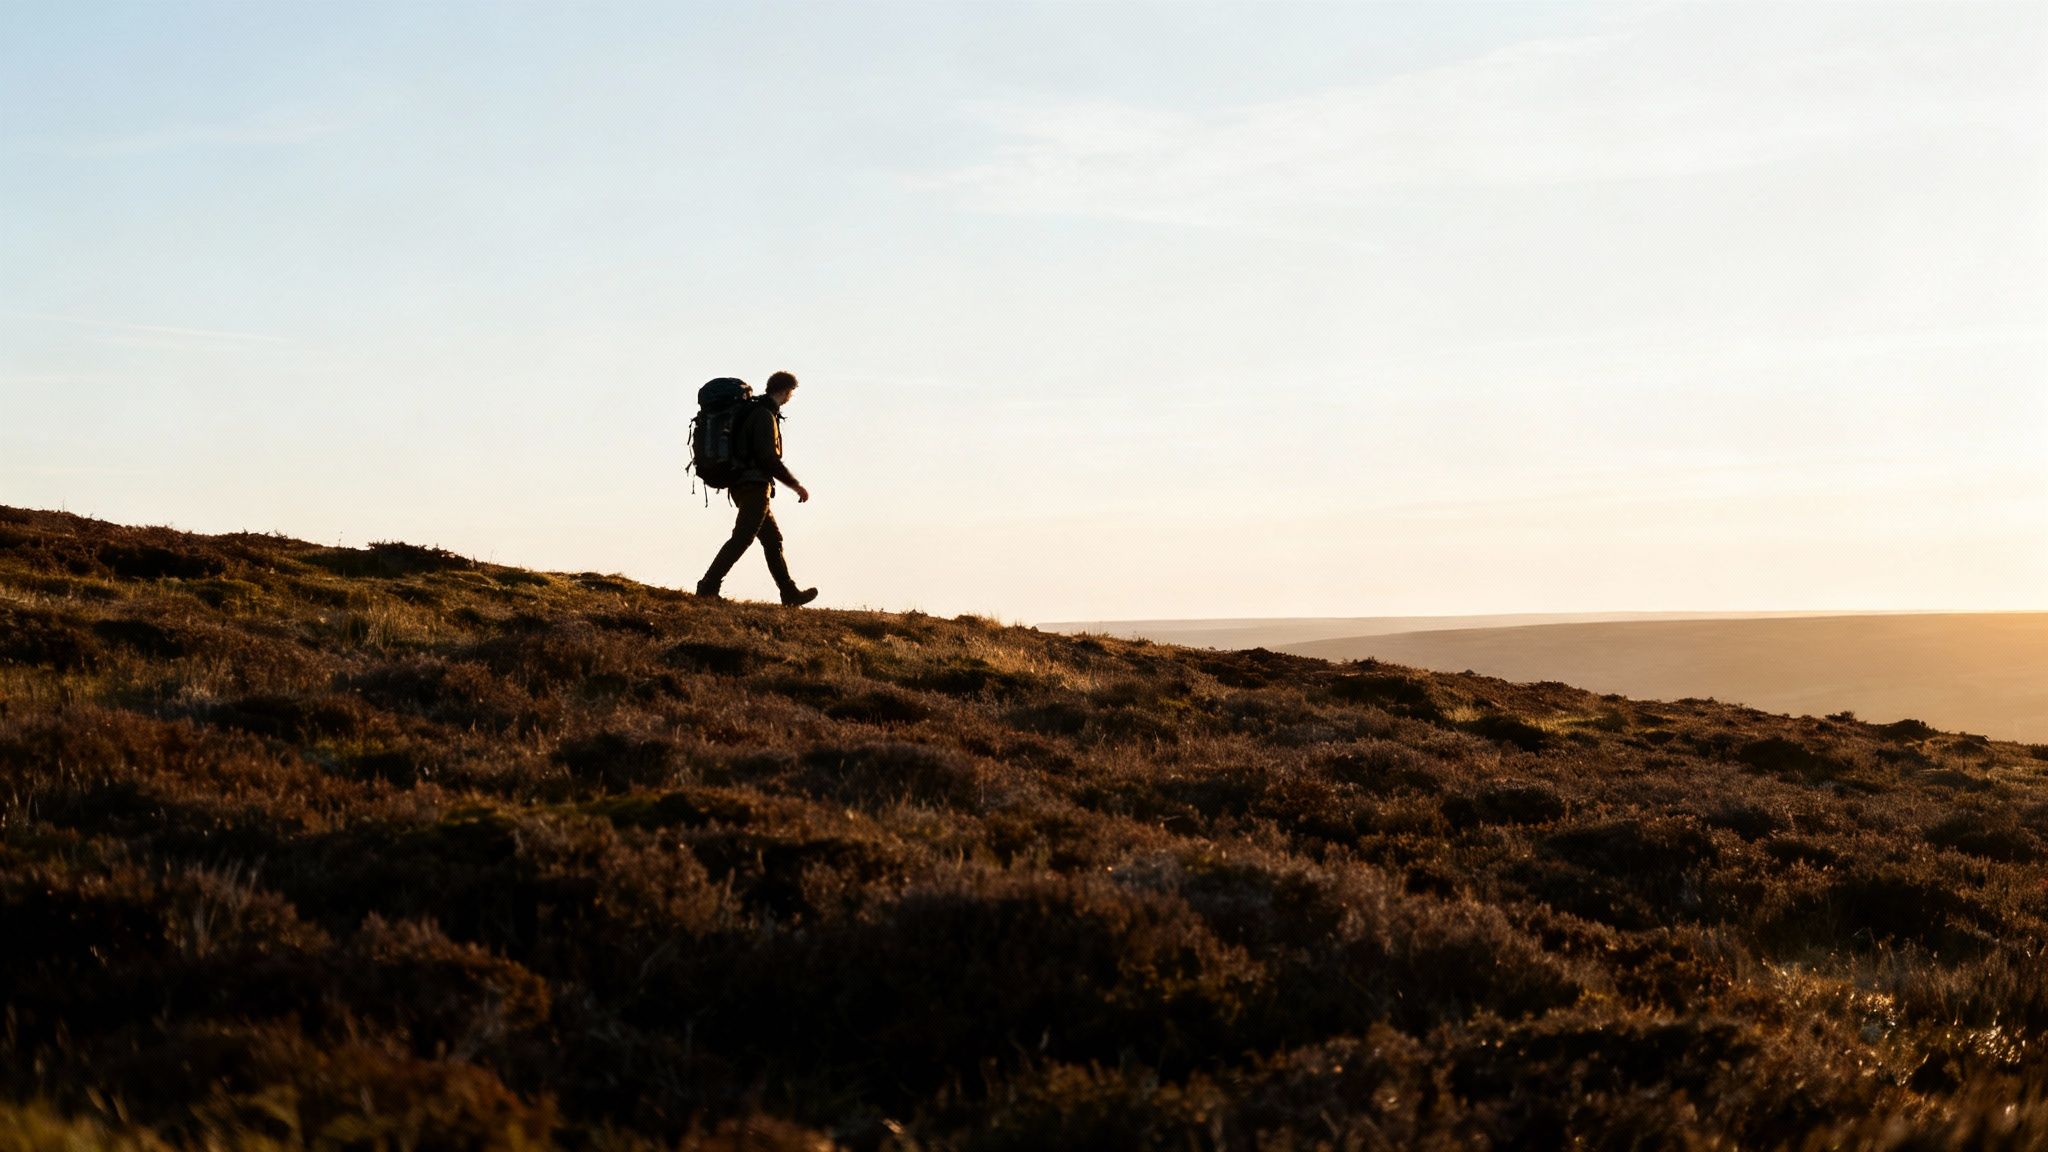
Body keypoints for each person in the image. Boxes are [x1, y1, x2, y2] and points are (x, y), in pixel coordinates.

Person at [696, 371, 819, 606]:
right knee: (742, 538)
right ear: (785, 391)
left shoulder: (753, 411)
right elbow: (767, 458)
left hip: (741, 484)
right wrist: (796, 485)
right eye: (791, 393)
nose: (790, 398)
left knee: (773, 540)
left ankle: (789, 593)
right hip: (754, 486)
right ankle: (708, 586)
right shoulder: (763, 415)